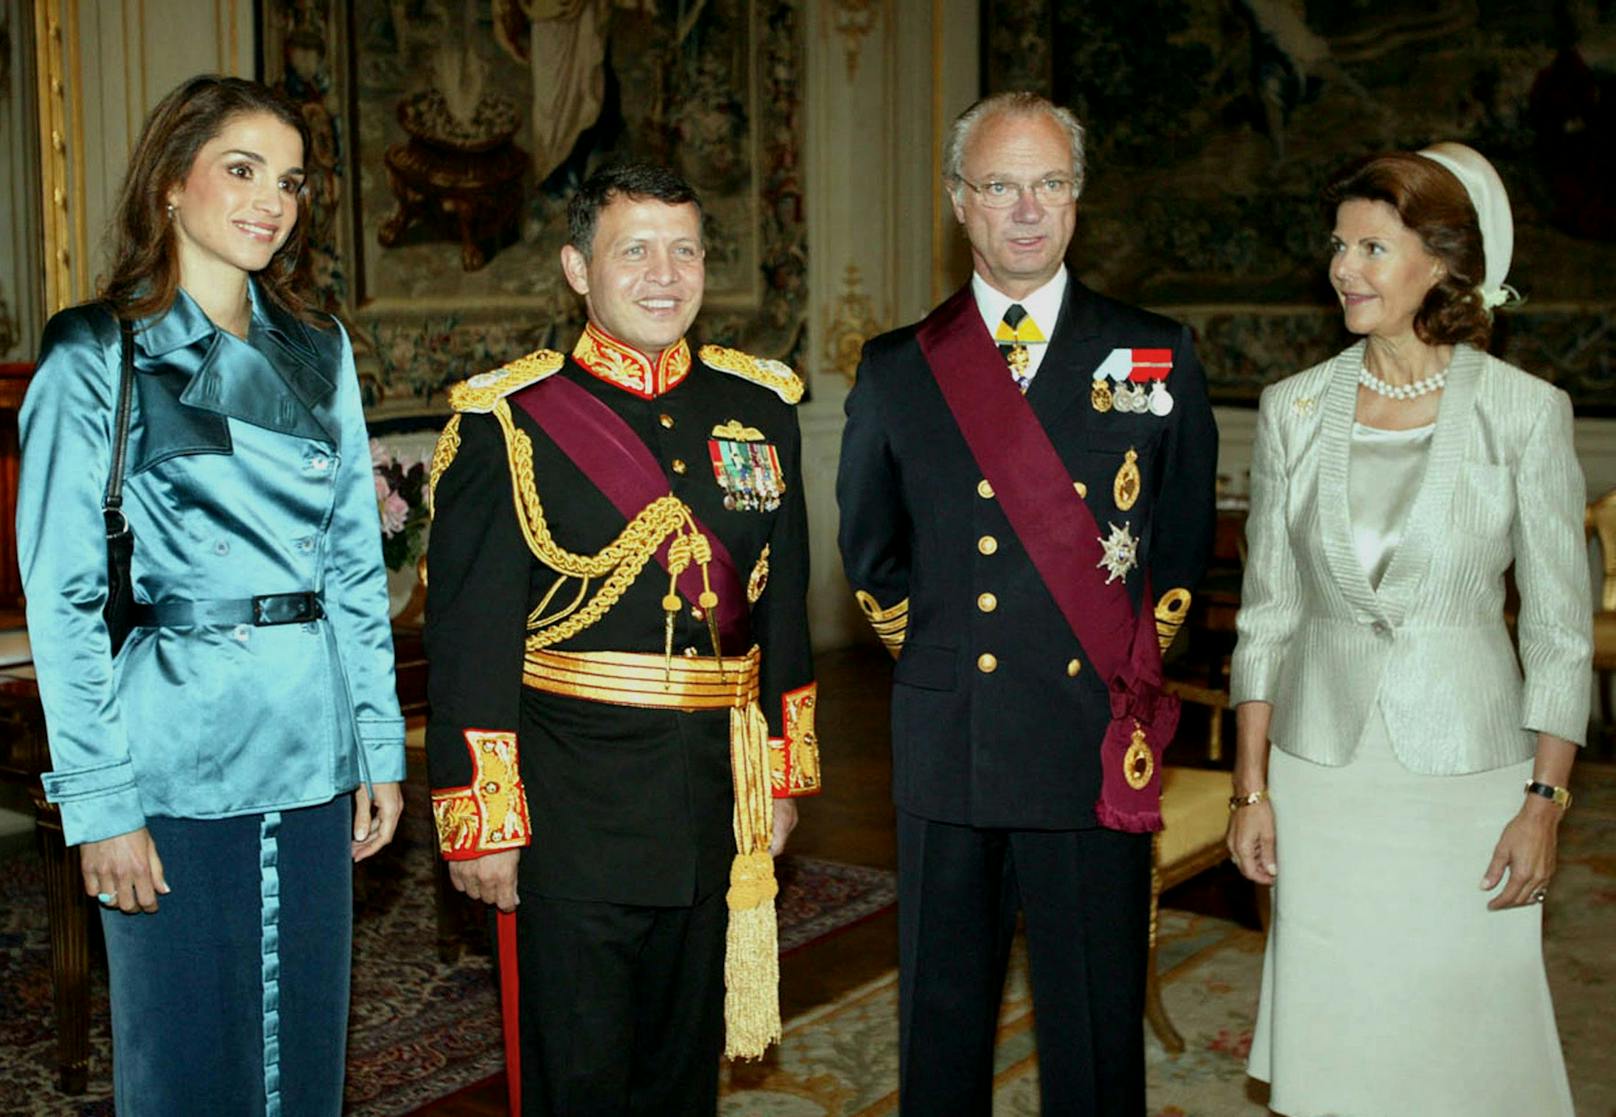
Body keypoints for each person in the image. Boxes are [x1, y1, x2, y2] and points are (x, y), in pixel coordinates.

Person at [17, 75, 405, 1115]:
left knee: (306, 1059)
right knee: (185, 1057)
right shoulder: (96, 351)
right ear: (170, 183)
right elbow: (59, 599)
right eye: (241, 170)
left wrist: (379, 748)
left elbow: (354, 572)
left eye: (289, 181)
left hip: (314, 746)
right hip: (172, 755)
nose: (270, 201)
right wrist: (101, 806)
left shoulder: (318, 349)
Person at [836, 91, 1218, 1114]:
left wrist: (1121, 682)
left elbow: (1178, 553)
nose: (1024, 209)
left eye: (1047, 183)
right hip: (949, 735)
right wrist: (946, 665)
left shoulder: (1154, 353)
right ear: (956, 201)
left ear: (1077, 200)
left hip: (1085, 739)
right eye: (998, 185)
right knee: (940, 1027)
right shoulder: (894, 370)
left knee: (1094, 1038)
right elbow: (871, 557)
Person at [423, 159, 819, 1115]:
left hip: (714, 797)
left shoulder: (761, 409)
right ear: (575, 268)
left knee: (682, 1075)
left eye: (684, 250)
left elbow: (786, 613)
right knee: (584, 1077)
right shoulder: (508, 423)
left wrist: (782, 776)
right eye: (633, 250)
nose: (664, 274)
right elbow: (470, 640)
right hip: (574, 808)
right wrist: (485, 821)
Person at [1226, 144, 1591, 1116]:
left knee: (1459, 1036)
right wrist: (1250, 788)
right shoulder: (1291, 409)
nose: (1343, 267)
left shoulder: (1523, 414)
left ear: (1440, 261)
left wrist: (1542, 799)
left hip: (1467, 779)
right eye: (1338, 245)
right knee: (1337, 1026)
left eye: (1371, 247)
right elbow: (1265, 614)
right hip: (1321, 772)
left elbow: (1557, 629)